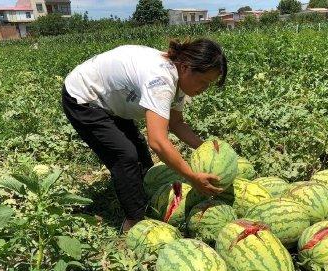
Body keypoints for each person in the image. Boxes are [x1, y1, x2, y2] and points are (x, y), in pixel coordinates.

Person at [61, 38, 227, 232]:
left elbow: (176, 123)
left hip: (113, 99)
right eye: (203, 82)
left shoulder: (177, 76)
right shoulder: (161, 80)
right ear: (186, 67)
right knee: (125, 155)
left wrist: (207, 147)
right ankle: (134, 223)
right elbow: (157, 142)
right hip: (83, 97)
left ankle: (145, 194)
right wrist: (191, 176)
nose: (203, 89)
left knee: (139, 153)